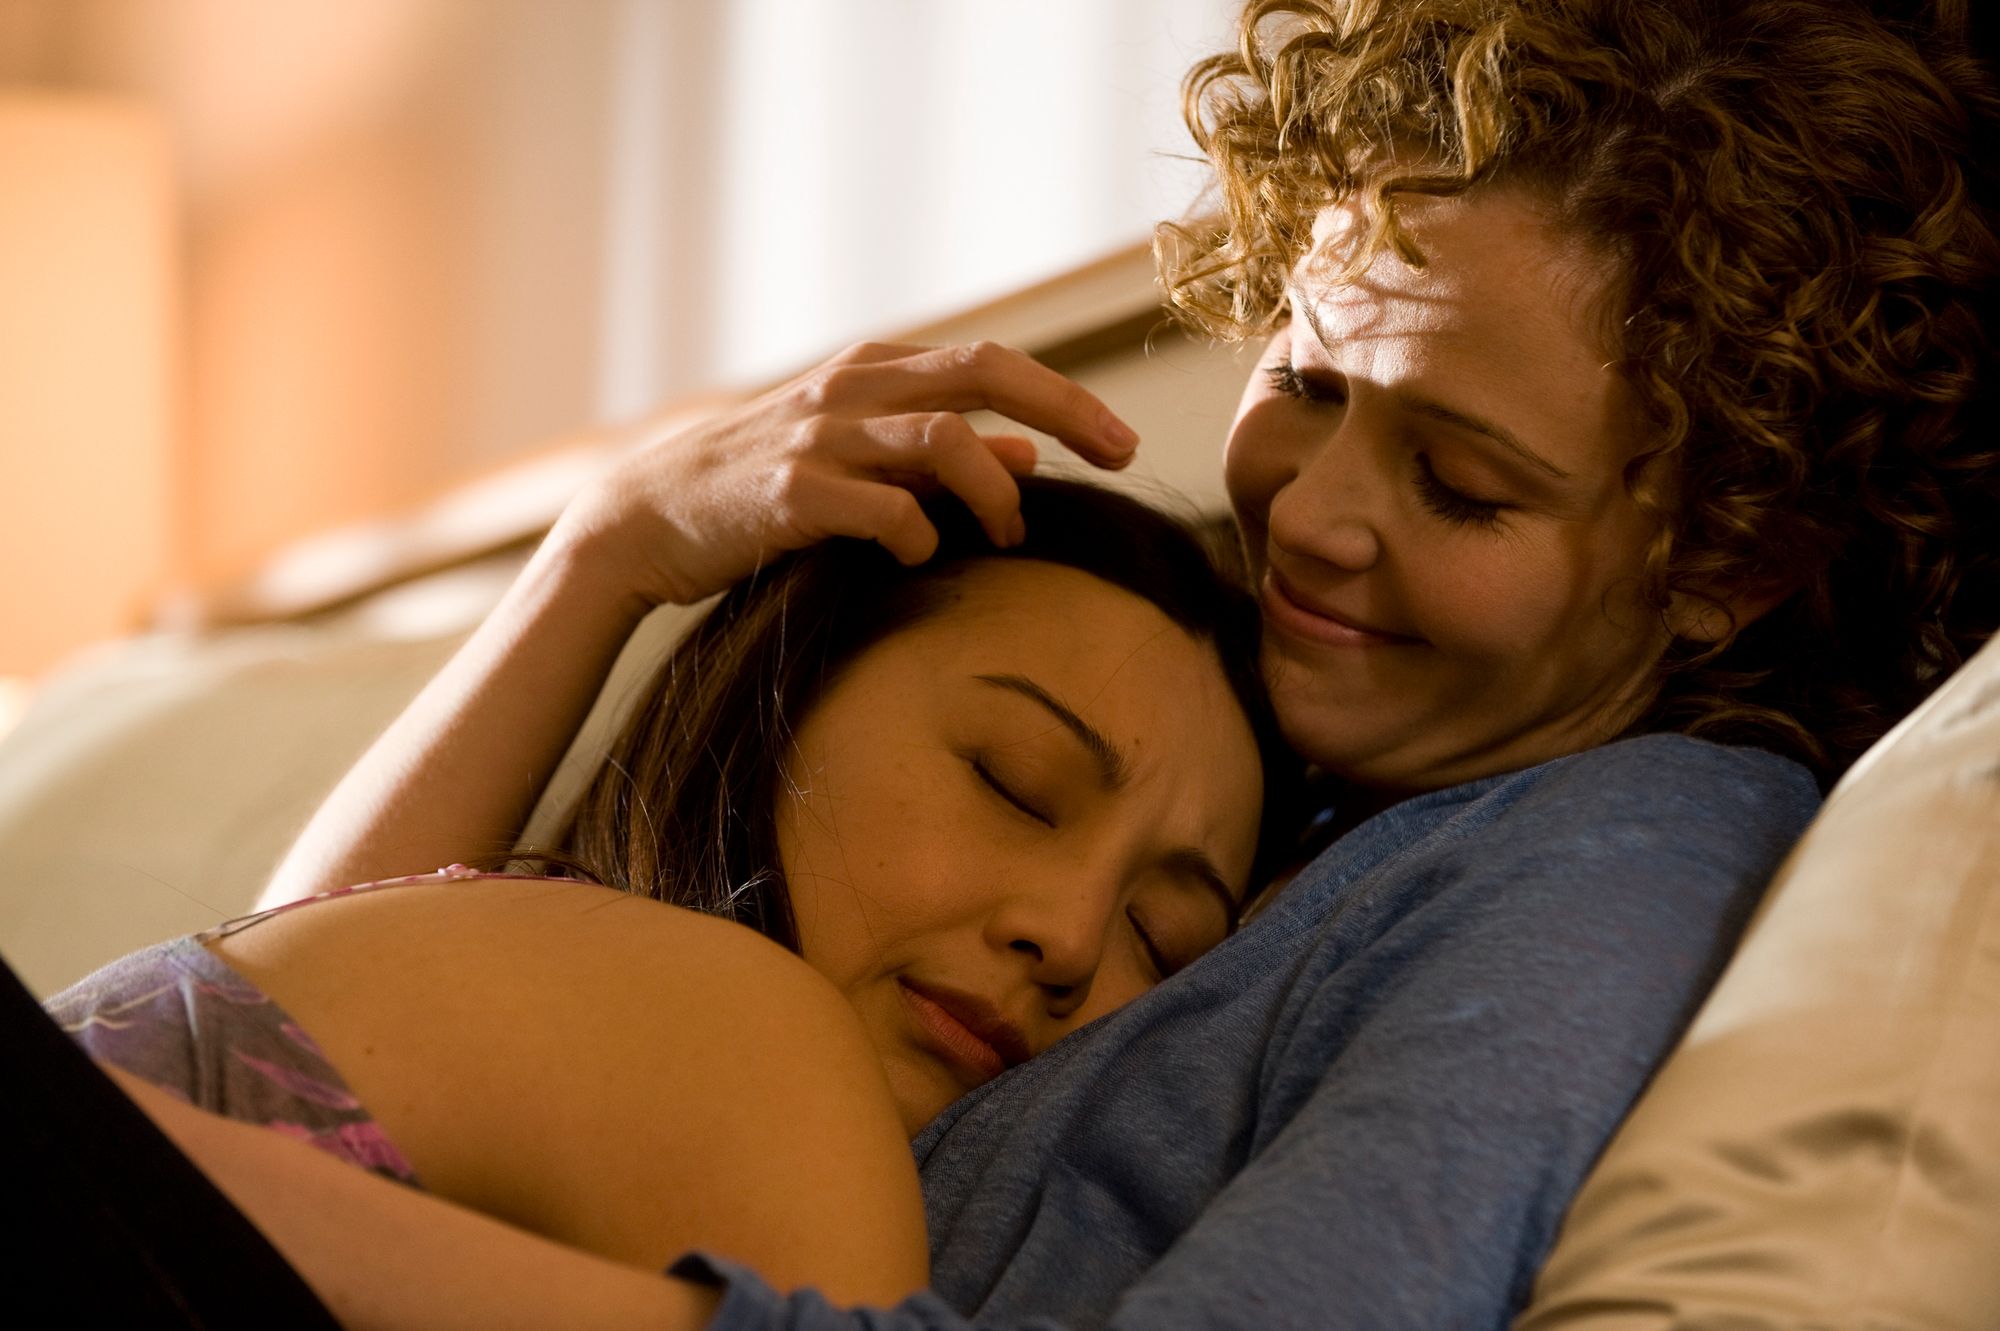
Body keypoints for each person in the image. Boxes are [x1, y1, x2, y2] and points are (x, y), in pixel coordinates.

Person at [41, 0, 2000, 1327]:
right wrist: (603, 557)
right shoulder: (1220, 671)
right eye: (1305, 382)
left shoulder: (1617, 848)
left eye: (1461, 484)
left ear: (1731, 555)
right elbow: (302, 1031)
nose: (1314, 512)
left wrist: (222, 1181)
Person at [40, 478, 1289, 1312]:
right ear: (785, 694)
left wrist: (598, 558)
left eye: (1160, 934)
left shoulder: (476, 977)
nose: (1067, 934)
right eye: (1014, 784)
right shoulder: (744, 1027)